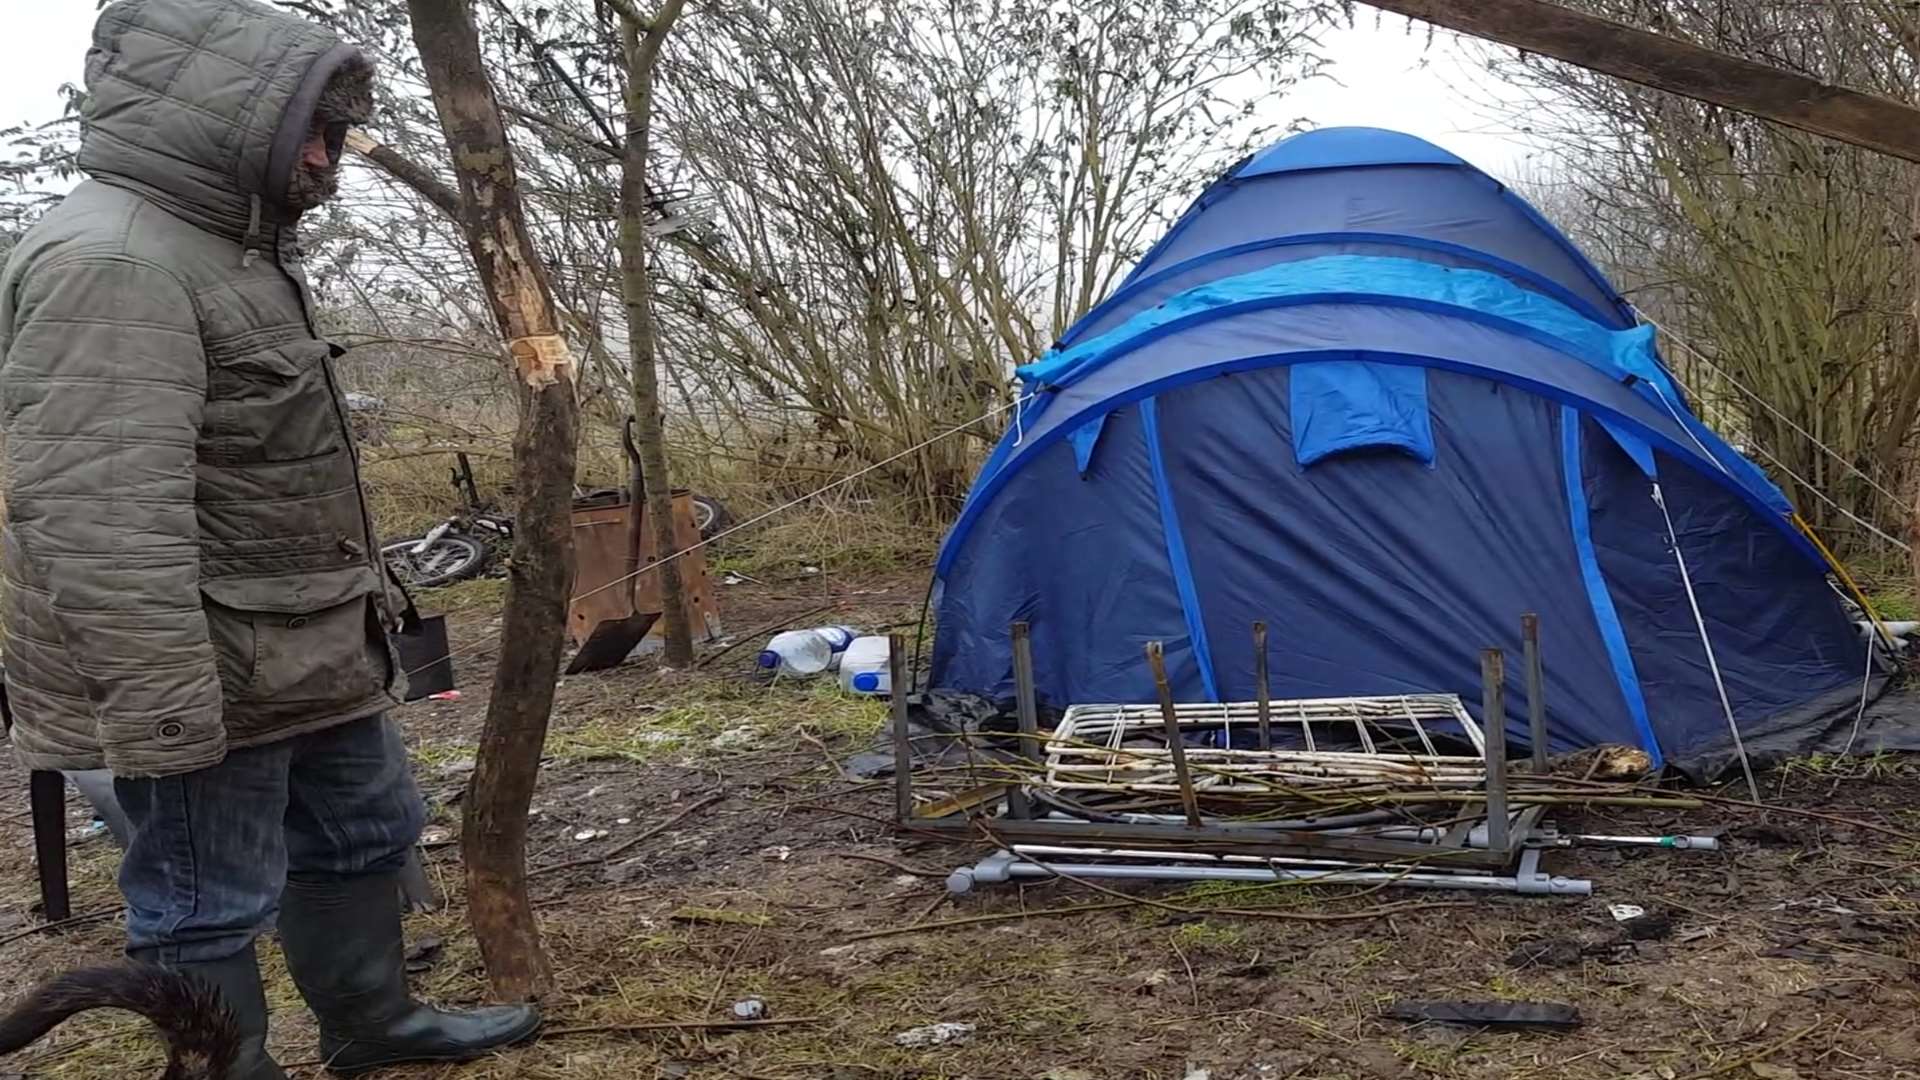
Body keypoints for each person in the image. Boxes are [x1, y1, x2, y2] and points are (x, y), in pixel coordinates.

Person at [0, 1, 539, 1076]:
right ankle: (225, 1068)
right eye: (313, 133)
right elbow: (99, 518)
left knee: (364, 833)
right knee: (206, 899)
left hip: (308, 649)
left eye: (333, 136)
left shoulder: (229, 250)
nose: (325, 160)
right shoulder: (115, 265)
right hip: (202, 670)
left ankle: (372, 1024)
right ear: (227, 120)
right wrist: (160, 707)